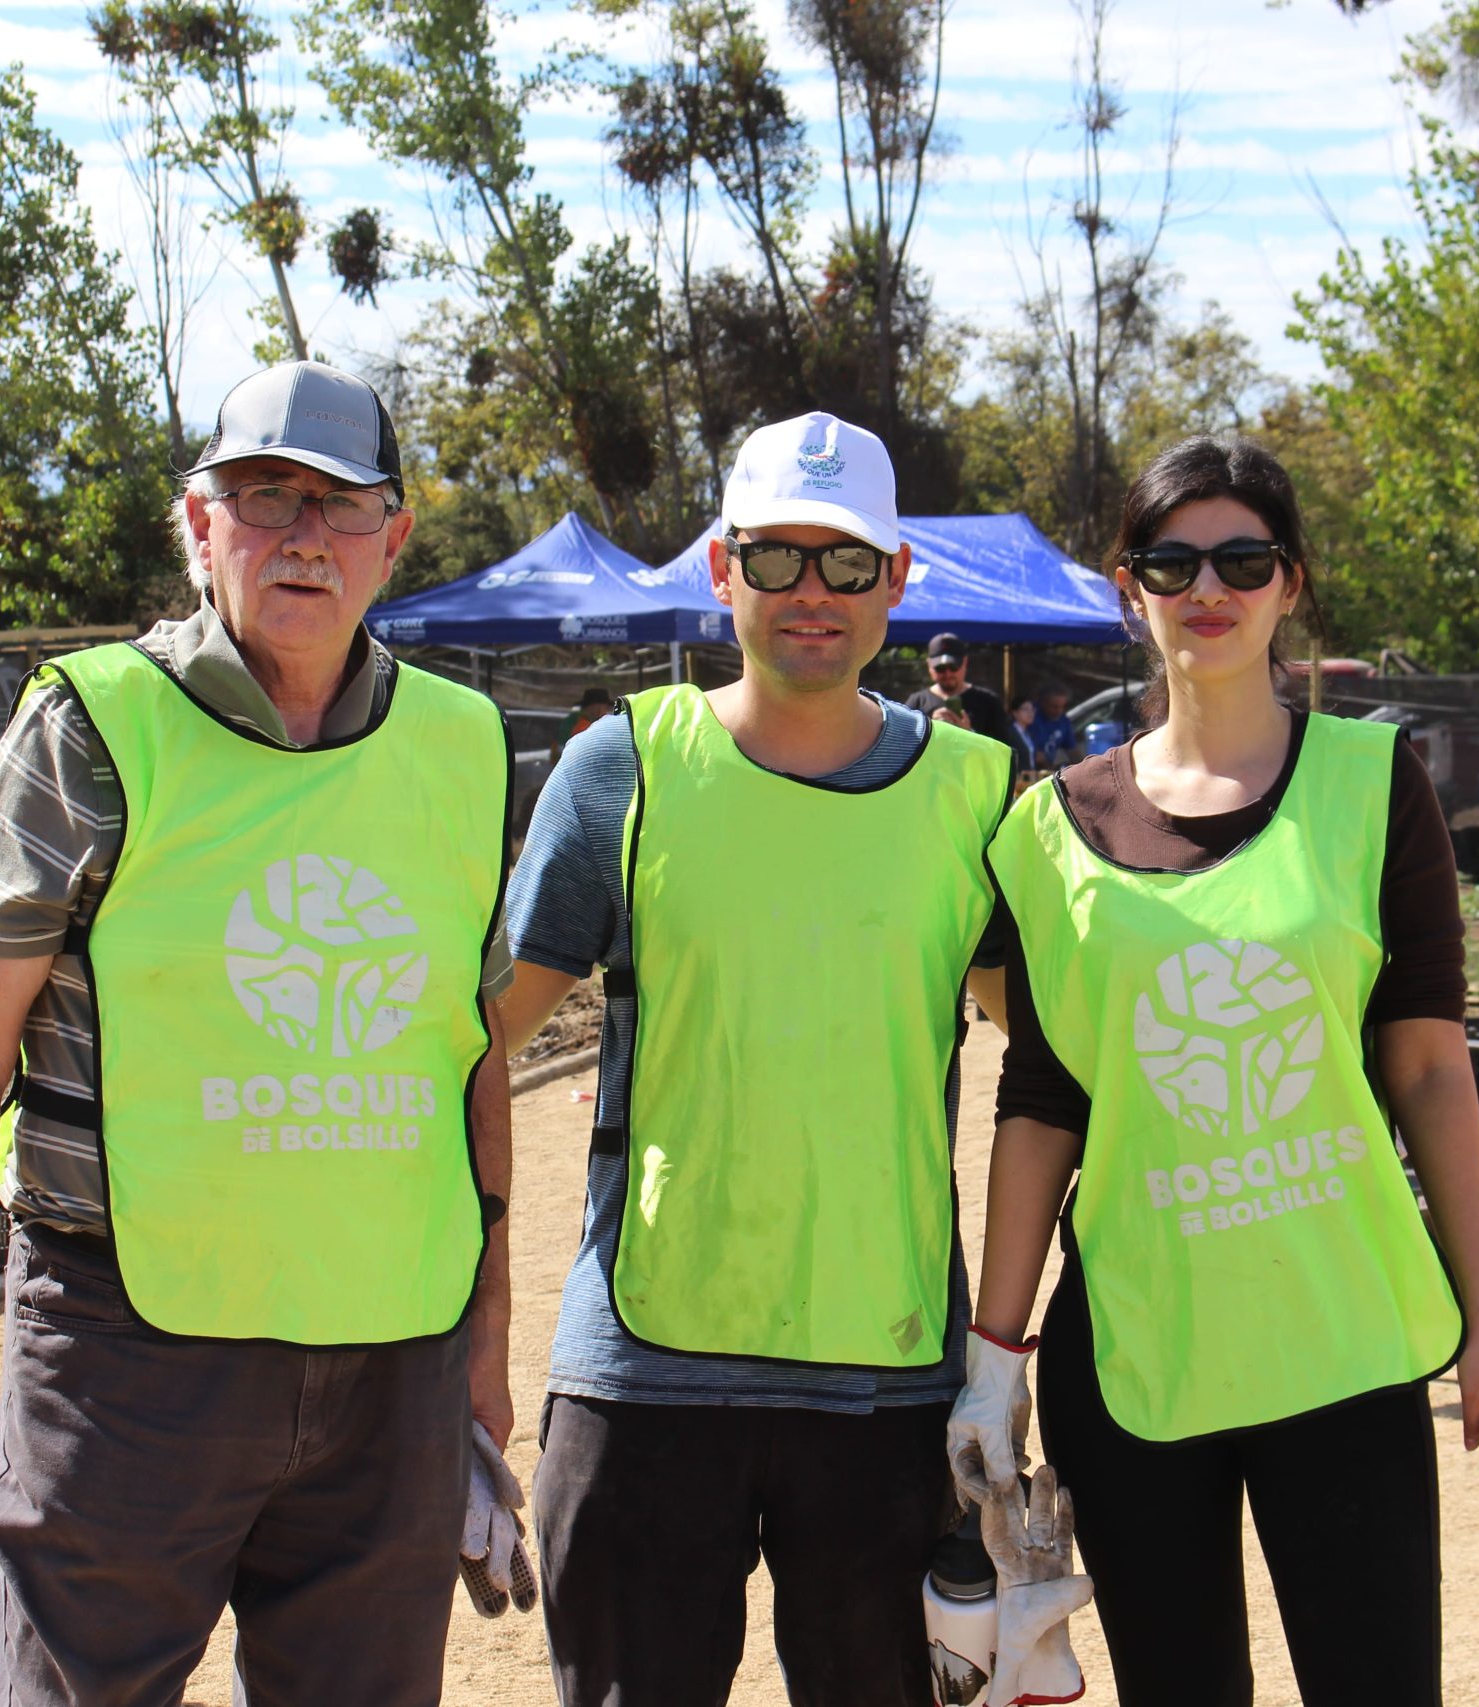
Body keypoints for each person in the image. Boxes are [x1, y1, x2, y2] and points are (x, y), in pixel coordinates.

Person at [0, 362, 522, 1706]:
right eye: (261, 495)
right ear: (198, 523)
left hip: (392, 1358)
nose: (301, 535)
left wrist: (489, 1325)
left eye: (341, 506)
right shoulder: (94, 727)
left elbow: (469, 1051)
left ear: (395, 538)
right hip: (129, 1358)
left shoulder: (462, 744)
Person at [949, 436, 1479, 1705]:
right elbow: (1045, 1098)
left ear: (1290, 582)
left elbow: (1432, 1069)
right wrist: (993, 1360)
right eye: (1171, 561)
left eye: (1241, 558)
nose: (1205, 587)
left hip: (1345, 1343)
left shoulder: (1376, 786)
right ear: (1129, 586)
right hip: (1140, 1357)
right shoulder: (1046, 830)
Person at [499, 410, 1014, 1707]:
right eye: (776, 557)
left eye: (846, 562)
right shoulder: (622, 767)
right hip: (645, 1370)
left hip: (889, 1377)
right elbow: (473, 1039)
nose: (810, 593)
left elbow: (1065, 1061)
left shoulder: (978, 794)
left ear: (898, 581)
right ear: (721, 569)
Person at [906, 633, 1019, 767]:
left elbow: (1005, 752)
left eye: (953, 666)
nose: (948, 674)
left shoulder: (988, 701)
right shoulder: (916, 702)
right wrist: (930, 730)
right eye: (940, 668)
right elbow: (903, 749)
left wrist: (969, 733)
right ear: (929, 665)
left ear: (965, 662)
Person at [1022, 683, 1083, 771]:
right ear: (1043, 702)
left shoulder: (1063, 720)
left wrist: (1084, 767)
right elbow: (1035, 755)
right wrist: (1050, 769)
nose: (1059, 711)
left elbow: (1072, 750)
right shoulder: (1031, 717)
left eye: (1062, 706)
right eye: (1054, 707)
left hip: (1047, 769)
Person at [555, 686, 612, 760]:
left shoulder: (572, 720)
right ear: (598, 708)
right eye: (605, 708)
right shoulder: (584, 726)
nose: (605, 712)